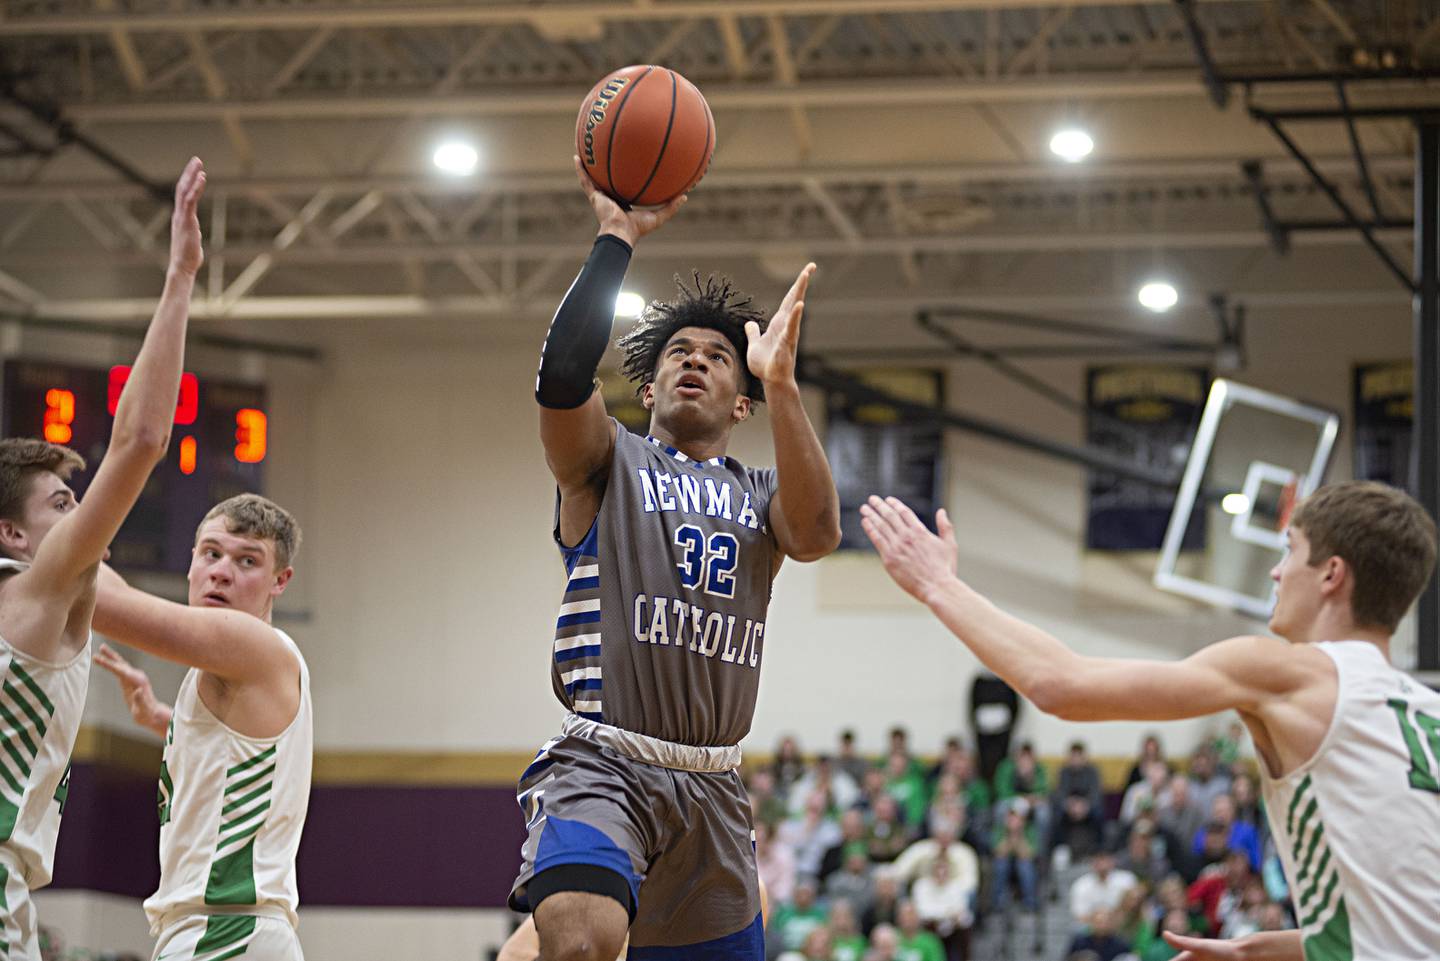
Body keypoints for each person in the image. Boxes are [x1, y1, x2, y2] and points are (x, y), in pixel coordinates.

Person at [860, 481, 1439, 960]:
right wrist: (1257, 950)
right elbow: (1403, 921)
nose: (1276, 573)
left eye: (1289, 550)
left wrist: (938, 586)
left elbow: (1062, 686)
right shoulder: (1427, 712)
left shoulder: (1288, 674)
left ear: (1332, 574)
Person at [509, 158, 841, 960]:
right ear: (650, 388)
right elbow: (559, 378)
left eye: (718, 357)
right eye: (677, 353)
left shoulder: (762, 492)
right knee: (582, 935)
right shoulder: (609, 460)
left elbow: (819, 532)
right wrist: (614, 239)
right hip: (605, 758)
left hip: (714, 783)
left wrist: (787, 385)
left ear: (742, 402)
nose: (695, 360)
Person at [0, 158, 205, 958]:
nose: (82, 518)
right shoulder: (40, 587)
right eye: (60, 506)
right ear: (14, 537)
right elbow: (143, 439)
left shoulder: (60, 590)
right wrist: (181, 277)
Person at [93, 494, 310, 961]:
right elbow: (240, 755)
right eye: (211, 554)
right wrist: (161, 719)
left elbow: (107, 604)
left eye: (247, 561)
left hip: (224, 930)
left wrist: (54, 537)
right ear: (191, 560)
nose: (222, 571)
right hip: (236, 931)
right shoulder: (249, 666)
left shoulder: (250, 644)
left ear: (280, 581)